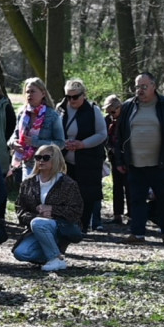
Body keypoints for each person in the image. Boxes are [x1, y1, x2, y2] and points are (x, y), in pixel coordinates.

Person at [113, 72, 164, 246]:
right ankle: (137, 234)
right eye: (137, 86)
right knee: (136, 199)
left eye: (144, 86)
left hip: (161, 163)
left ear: (153, 86)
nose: (140, 90)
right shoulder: (128, 106)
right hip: (135, 164)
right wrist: (120, 160)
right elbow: (120, 135)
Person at [11, 145, 83, 271]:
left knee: (39, 223)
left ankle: (54, 258)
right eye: (38, 157)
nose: (41, 161)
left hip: (61, 226)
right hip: (36, 226)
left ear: (56, 160)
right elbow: (20, 210)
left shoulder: (67, 183)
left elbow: (76, 211)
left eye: (45, 157)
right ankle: (56, 255)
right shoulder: (28, 183)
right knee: (21, 253)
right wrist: (36, 216)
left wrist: (52, 210)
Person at [57, 79, 107, 234]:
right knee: (65, 193)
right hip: (66, 159)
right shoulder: (61, 108)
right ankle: (66, 224)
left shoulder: (93, 110)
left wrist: (82, 144)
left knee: (87, 194)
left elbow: (102, 134)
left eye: (75, 97)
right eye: (68, 97)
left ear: (83, 95)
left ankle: (83, 225)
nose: (71, 100)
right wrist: (62, 143)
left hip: (88, 159)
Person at [9, 77, 66, 180]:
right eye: (27, 92)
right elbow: (15, 134)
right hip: (27, 164)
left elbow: (61, 143)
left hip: (47, 166)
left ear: (43, 93)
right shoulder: (22, 113)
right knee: (29, 195)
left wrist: (36, 142)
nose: (29, 94)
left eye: (33, 91)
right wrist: (13, 143)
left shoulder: (52, 116)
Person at [103, 95, 128, 225]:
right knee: (117, 186)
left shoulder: (126, 119)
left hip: (127, 156)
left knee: (129, 186)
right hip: (113, 156)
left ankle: (132, 215)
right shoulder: (107, 120)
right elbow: (105, 137)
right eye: (108, 112)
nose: (111, 115)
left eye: (113, 112)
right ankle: (117, 214)